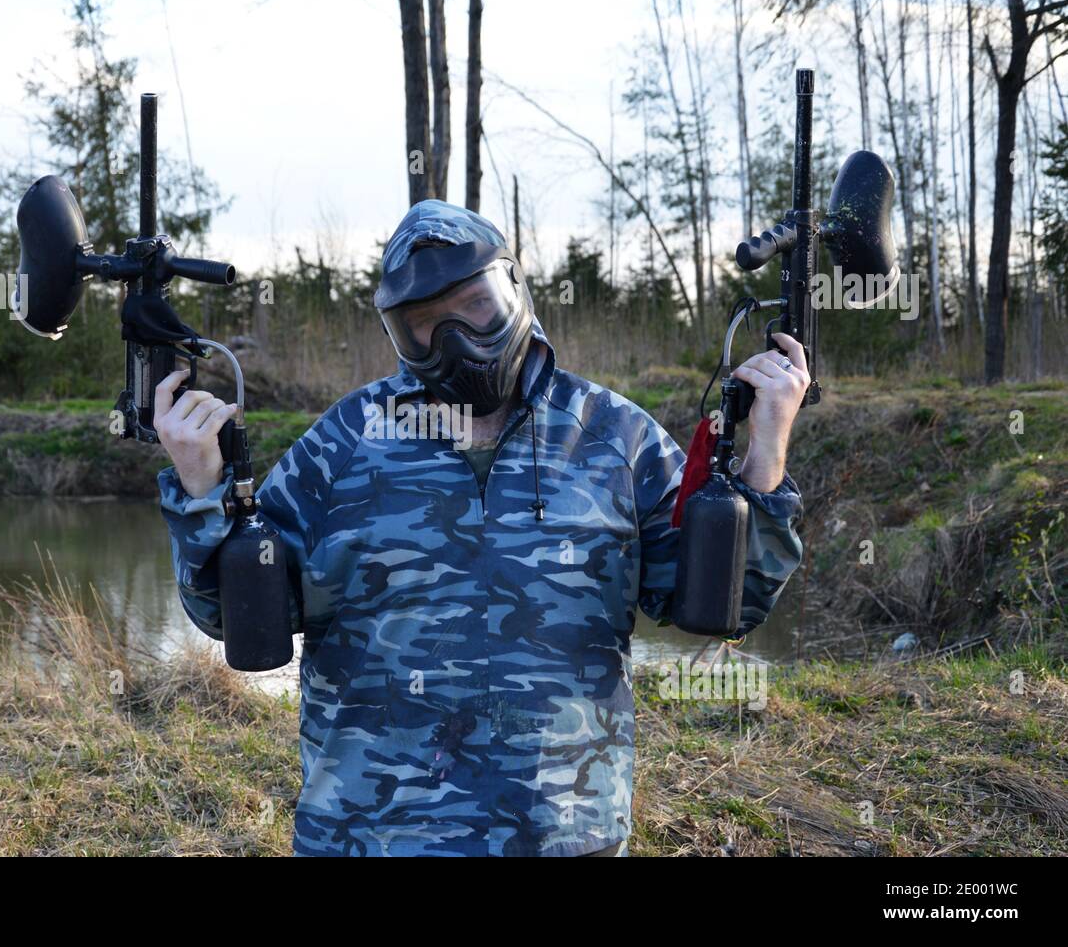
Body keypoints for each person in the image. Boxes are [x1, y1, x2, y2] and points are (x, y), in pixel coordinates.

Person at [155, 199, 805, 857]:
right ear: (396, 337)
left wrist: (765, 459)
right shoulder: (344, 445)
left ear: (514, 290)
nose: (457, 341)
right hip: (372, 837)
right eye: (425, 327)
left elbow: (727, 603)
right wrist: (203, 488)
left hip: (562, 838)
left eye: (475, 307)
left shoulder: (614, 438)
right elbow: (231, 614)